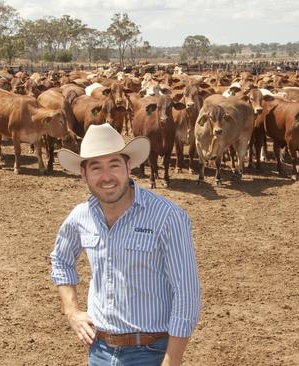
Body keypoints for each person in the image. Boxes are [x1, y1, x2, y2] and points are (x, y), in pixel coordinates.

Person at [50, 124, 201, 366]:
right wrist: (72, 311)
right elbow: (61, 259)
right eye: (96, 167)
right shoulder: (81, 216)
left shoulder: (167, 217)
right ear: (84, 174)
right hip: (98, 350)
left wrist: (171, 363)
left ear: (129, 167)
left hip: (150, 352)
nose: (106, 176)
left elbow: (186, 295)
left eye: (114, 165)